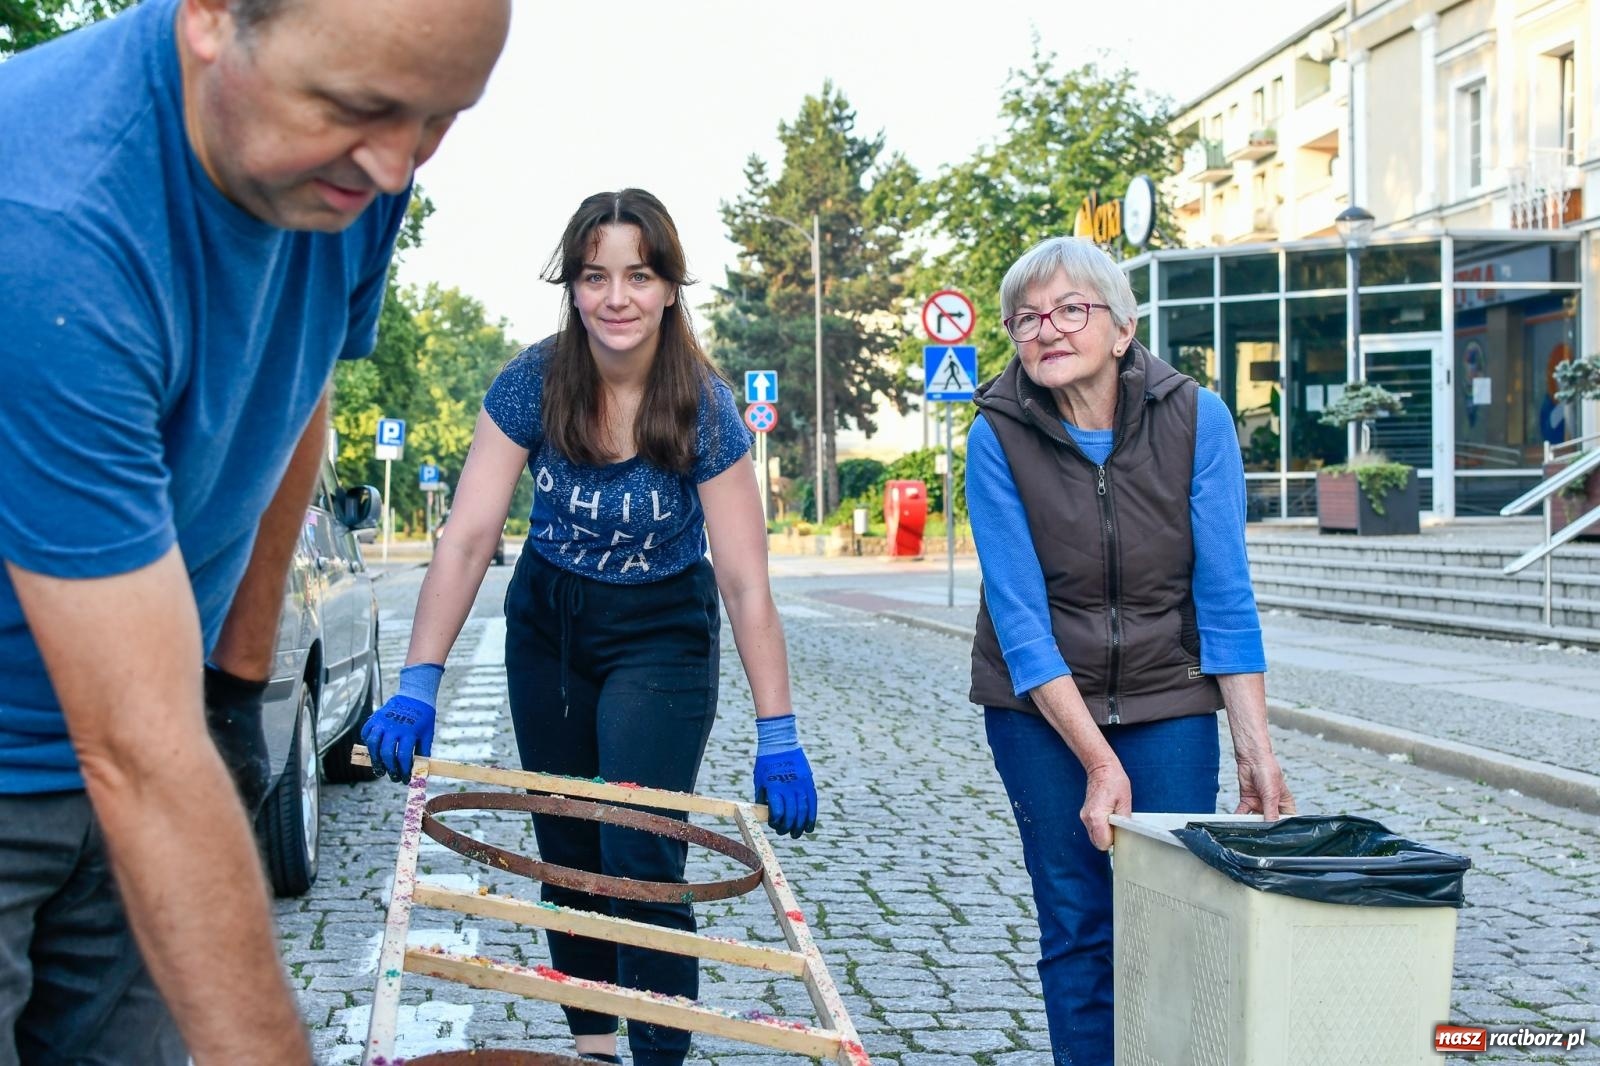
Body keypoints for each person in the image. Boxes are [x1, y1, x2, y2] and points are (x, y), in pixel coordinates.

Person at [0, 0, 509, 1062]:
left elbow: (298, 382)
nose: (395, 164)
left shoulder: (349, 174)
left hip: (148, 731)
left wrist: (237, 669)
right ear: (210, 16)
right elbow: (137, 753)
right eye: (359, 109)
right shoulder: (45, 222)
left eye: (439, 117)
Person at [361, 188, 819, 1066]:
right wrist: (419, 679)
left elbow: (746, 582)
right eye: (595, 275)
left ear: (670, 289)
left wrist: (779, 730)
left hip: (663, 631)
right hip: (551, 625)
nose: (618, 297)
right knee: (568, 846)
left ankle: (657, 1056)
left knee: (637, 847)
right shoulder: (533, 381)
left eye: (639, 276)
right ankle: (596, 1049)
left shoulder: (705, 405)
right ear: (571, 286)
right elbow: (467, 539)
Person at [964, 236, 1295, 1065]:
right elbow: (1020, 619)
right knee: (1077, 918)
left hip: (1169, 697)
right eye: (1027, 318)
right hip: (1040, 708)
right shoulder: (996, 434)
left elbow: (1224, 595)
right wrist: (1096, 760)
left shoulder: (1195, 417)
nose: (1047, 329)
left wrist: (1254, 747)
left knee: (1170, 917)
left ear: (1122, 329)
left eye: (1071, 309)